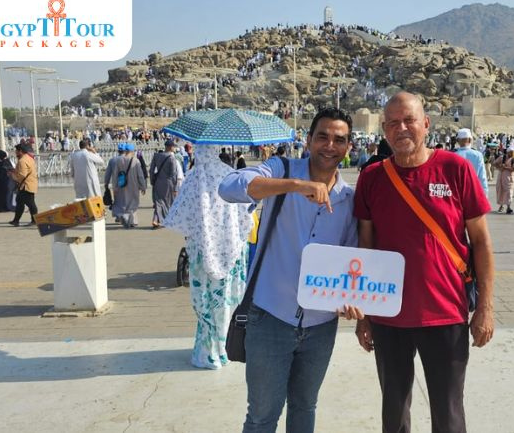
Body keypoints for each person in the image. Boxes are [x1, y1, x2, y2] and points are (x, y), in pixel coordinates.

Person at [353, 92, 494, 433]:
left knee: (448, 413)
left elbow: (481, 242)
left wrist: (485, 308)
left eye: (409, 120)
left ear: (426, 124)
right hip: (388, 314)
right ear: (384, 130)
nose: (401, 128)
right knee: (394, 412)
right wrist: (363, 314)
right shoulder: (372, 178)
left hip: (445, 313)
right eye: (392, 123)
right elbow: (365, 247)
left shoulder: (455, 169)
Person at [219, 107, 358, 433]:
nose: (330, 145)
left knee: (305, 407)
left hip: (320, 326)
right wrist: (294, 186)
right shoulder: (281, 169)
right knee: (262, 416)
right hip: (271, 317)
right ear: (308, 140)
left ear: (348, 147)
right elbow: (229, 187)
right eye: (322, 136)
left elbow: (350, 259)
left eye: (339, 140)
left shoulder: (348, 199)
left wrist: (352, 298)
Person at [164, 144, 255, 369]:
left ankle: (208, 350)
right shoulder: (231, 175)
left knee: (204, 300)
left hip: (202, 252)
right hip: (231, 250)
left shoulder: (193, 177)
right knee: (226, 299)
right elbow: (247, 216)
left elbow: (180, 217)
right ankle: (225, 347)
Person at [105, 143, 146, 228]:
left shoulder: (118, 160)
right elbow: (140, 175)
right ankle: (132, 220)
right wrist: (143, 186)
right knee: (133, 203)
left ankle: (123, 216)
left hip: (121, 184)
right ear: (132, 151)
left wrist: (114, 186)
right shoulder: (135, 161)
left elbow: (115, 174)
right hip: (133, 185)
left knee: (121, 202)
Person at [150, 140, 181, 229]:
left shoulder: (156, 156)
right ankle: (160, 220)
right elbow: (173, 174)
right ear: (170, 147)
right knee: (166, 202)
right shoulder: (172, 158)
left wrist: (152, 180)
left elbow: (151, 170)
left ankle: (156, 219)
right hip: (168, 183)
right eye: (174, 146)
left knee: (158, 201)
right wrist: (175, 187)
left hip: (158, 181)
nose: (174, 148)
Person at [9, 143, 38, 227]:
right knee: (20, 202)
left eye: (16, 151)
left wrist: (13, 176)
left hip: (25, 185)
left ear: (20, 151)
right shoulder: (29, 158)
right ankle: (16, 220)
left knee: (30, 203)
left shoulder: (22, 161)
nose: (15, 152)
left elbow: (22, 175)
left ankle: (35, 221)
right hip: (30, 184)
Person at [453, 128, 488, 193]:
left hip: (457, 192)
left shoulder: (453, 155)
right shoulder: (478, 155)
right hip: (473, 190)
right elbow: (482, 177)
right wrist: (484, 194)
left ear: (458, 141)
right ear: (470, 140)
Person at [493, 147, 514, 214]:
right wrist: (499, 167)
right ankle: (501, 206)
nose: (512, 154)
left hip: (509, 179)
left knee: (509, 192)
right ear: (508, 152)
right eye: (511, 152)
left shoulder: (513, 159)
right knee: (501, 191)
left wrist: (505, 167)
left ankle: (508, 207)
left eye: (512, 152)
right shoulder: (502, 158)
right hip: (501, 178)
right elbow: (494, 163)